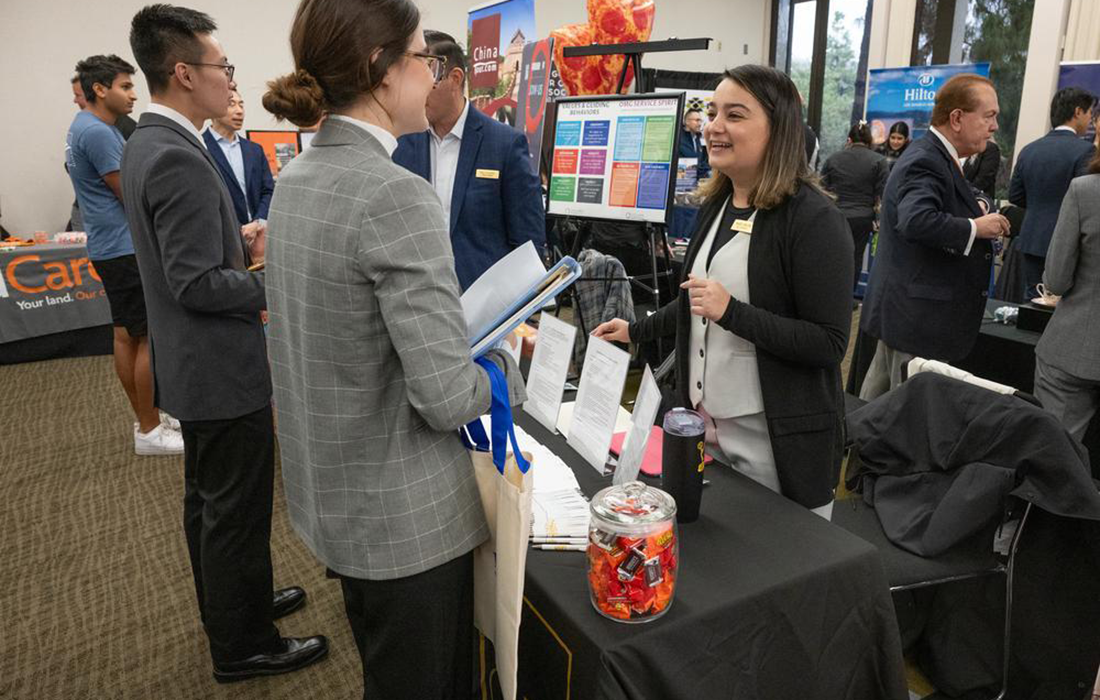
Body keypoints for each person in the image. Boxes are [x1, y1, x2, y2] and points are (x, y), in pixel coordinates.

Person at [261, 0, 525, 697]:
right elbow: (446, 397)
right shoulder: (394, 194)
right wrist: (503, 365)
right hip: (408, 524)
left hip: (339, 496)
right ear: (382, 70)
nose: (433, 74)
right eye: (423, 59)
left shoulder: (298, 176)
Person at [123, 4, 326, 682]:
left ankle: (235, 606)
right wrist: (276, 277)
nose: (230, 79)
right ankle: (244, 645)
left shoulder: (151, 141)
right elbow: (196, 284)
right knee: (233, 511)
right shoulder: (176, 155)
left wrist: (234, 243)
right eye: (223, 66)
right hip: (218, 367)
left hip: (192, 363)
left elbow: (180, 258)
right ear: (184, 72)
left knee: (211, 505)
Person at [594, 65, 853, 520]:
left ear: (778, 128)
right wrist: (635, 331)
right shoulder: (717, 203)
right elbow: (695, 299)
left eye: (734, 115)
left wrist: (732, 312)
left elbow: (828, 343)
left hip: (778, 451)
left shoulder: (814, 220)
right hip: (706, 438)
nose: (714, 126)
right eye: (713, 113)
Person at [860, 74, 1010, 399]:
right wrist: (975, 228)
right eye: (989, 116)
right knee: (904, 412)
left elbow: (947, 198)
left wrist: (976, 206)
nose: (994, 126)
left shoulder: (935, 155)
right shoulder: (928, 159)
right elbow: (916, 220)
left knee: (876, 404)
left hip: (909, 310)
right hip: (918, 317)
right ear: (956, 118)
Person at [67, 54, 183, 456]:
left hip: (112, 245)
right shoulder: (98, 133)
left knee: (127, 335)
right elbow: (130, 193)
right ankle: (149, 430)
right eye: (126, 86)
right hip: (123, 247)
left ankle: (148, 419)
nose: (134, 95)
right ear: (100, 90)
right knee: (146, 337)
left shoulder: (88, 126)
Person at [392, 35, 545, 290]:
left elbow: (528, 244)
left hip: (485, 303)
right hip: (418, 298)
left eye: (427, 81)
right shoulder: (402, 144)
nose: (416, 93)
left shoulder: (504, 145)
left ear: (455, 79)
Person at [1034, 152, 1100, 442]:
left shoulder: (1084, 191)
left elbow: (1057, 281)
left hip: (1075, 350)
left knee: (1051, 454)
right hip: (1076, 355)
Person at [1008, 86, 1095, 300]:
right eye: (1089, 113)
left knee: (1033, 302)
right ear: (1078, 112)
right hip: (1068, 245)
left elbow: (1015, 196)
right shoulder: (1086, 151)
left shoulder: (1029, 149)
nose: (1091, 121)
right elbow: (1087, 201)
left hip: (1031, 240)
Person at [203, 89, 275, 260]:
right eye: (231, 104)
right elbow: (205, 198)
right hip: (223, 242)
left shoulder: (254, 150)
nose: (239, 111)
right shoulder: (201, 148)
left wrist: (257, 223)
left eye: (241, 105)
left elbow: (268, 190)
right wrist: (238, 230)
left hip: (259, 239)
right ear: (213, 109)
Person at [821, 121, 889, 291]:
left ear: (849, 140)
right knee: (855, 258)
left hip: (836, 216)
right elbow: (885, 193)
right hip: (862, 218)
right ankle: (847, 297)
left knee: (833, 258)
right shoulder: (879, 161)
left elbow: (821, 189)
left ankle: (830, 294)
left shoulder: (833, 159)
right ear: (869, 141)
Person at [679, 106, 710, 178]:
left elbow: (701, 161)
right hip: (684, 180)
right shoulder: (679, 140)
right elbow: (690, 163)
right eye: (697, 120)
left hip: (696, 178)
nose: (699, 124)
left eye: (700, 121)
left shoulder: (697, 138)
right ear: (687, 122)